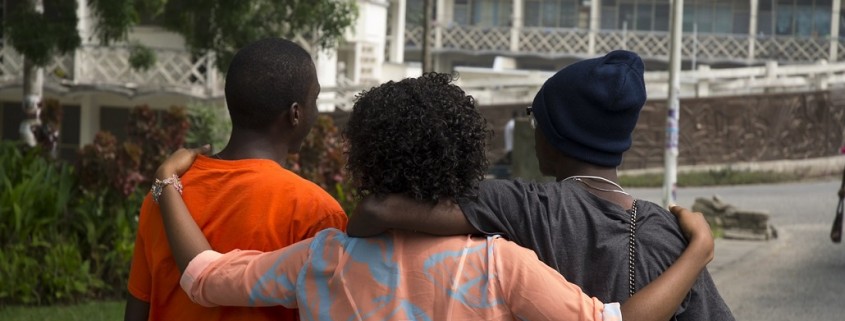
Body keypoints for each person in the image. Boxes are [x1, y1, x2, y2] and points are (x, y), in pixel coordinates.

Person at [152, 73, 715, 321]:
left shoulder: (319, 259)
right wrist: (697, 252)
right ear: (466, 157)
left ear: (365, 154)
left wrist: (168, 185)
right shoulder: (501, 265)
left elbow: (201, 277)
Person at [348, 51, 735, 320]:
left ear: (554, 135)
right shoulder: (670, 234)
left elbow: (376, 211)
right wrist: (698, 249)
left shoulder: (525, 205)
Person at [124, 38, 348, 321]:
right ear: (295, 114)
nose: (315, 111)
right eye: (313, 100)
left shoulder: (166, 193)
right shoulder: (317, 213)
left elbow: (136, 311)